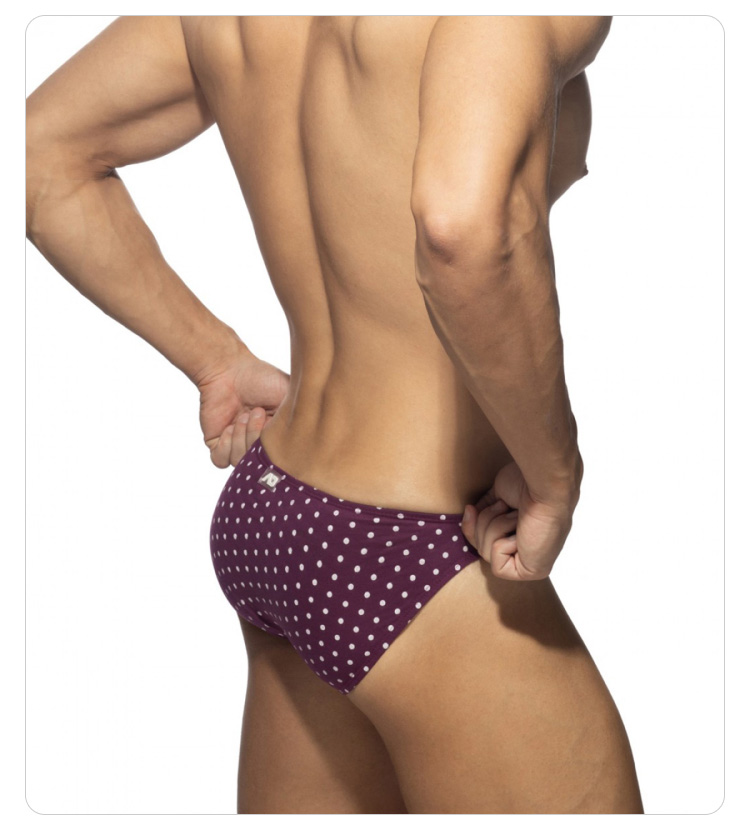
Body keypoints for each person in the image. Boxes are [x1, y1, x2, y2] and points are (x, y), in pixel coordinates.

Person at [26, 15, 643, 814]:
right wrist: (553, 476)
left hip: (277, 509)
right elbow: (459, 227)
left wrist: (215, 359)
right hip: (422, 544)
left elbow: (36, 151)